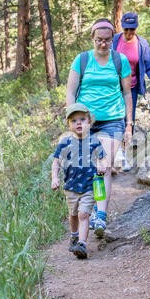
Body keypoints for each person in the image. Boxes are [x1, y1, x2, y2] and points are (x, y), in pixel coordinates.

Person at [66, 18, 133, 237]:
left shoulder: (120, 60)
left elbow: (126, 93)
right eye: (98, 40)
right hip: (85, 122)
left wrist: (129, 125)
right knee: (87, 168)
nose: (103, 44)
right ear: (92, 39)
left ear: (113, 39)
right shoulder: (82, 60)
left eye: (107, 40)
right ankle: (91, 208)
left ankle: (100, 215)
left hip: (113, 119)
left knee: (103, 164)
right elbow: (70, 91)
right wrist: (72, 118)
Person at [51, 103, 107, 259]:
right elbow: (56, 162)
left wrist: (102, 166)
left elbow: (103, 159)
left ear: (89, 121)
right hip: (70, 186)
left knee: (83, 214)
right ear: (69, 125)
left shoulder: (94, 141)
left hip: (89, 185)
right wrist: (55, 178)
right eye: (74, 120)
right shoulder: (65, 143)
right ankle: (74, 236)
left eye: (82, 119)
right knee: (73, 214)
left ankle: (82, 244)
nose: (78, 123)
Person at [112, 12, 150, 171]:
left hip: (132, 87)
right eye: (126, 29)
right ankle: (115, 154)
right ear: (122, 27)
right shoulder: (115, 41)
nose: (129, 33)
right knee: (115, 118)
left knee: (129, 120)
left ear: (136, 28)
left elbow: (149, 66)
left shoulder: (142, 44)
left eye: (132, 29)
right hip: (114, 87)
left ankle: (124, 155)